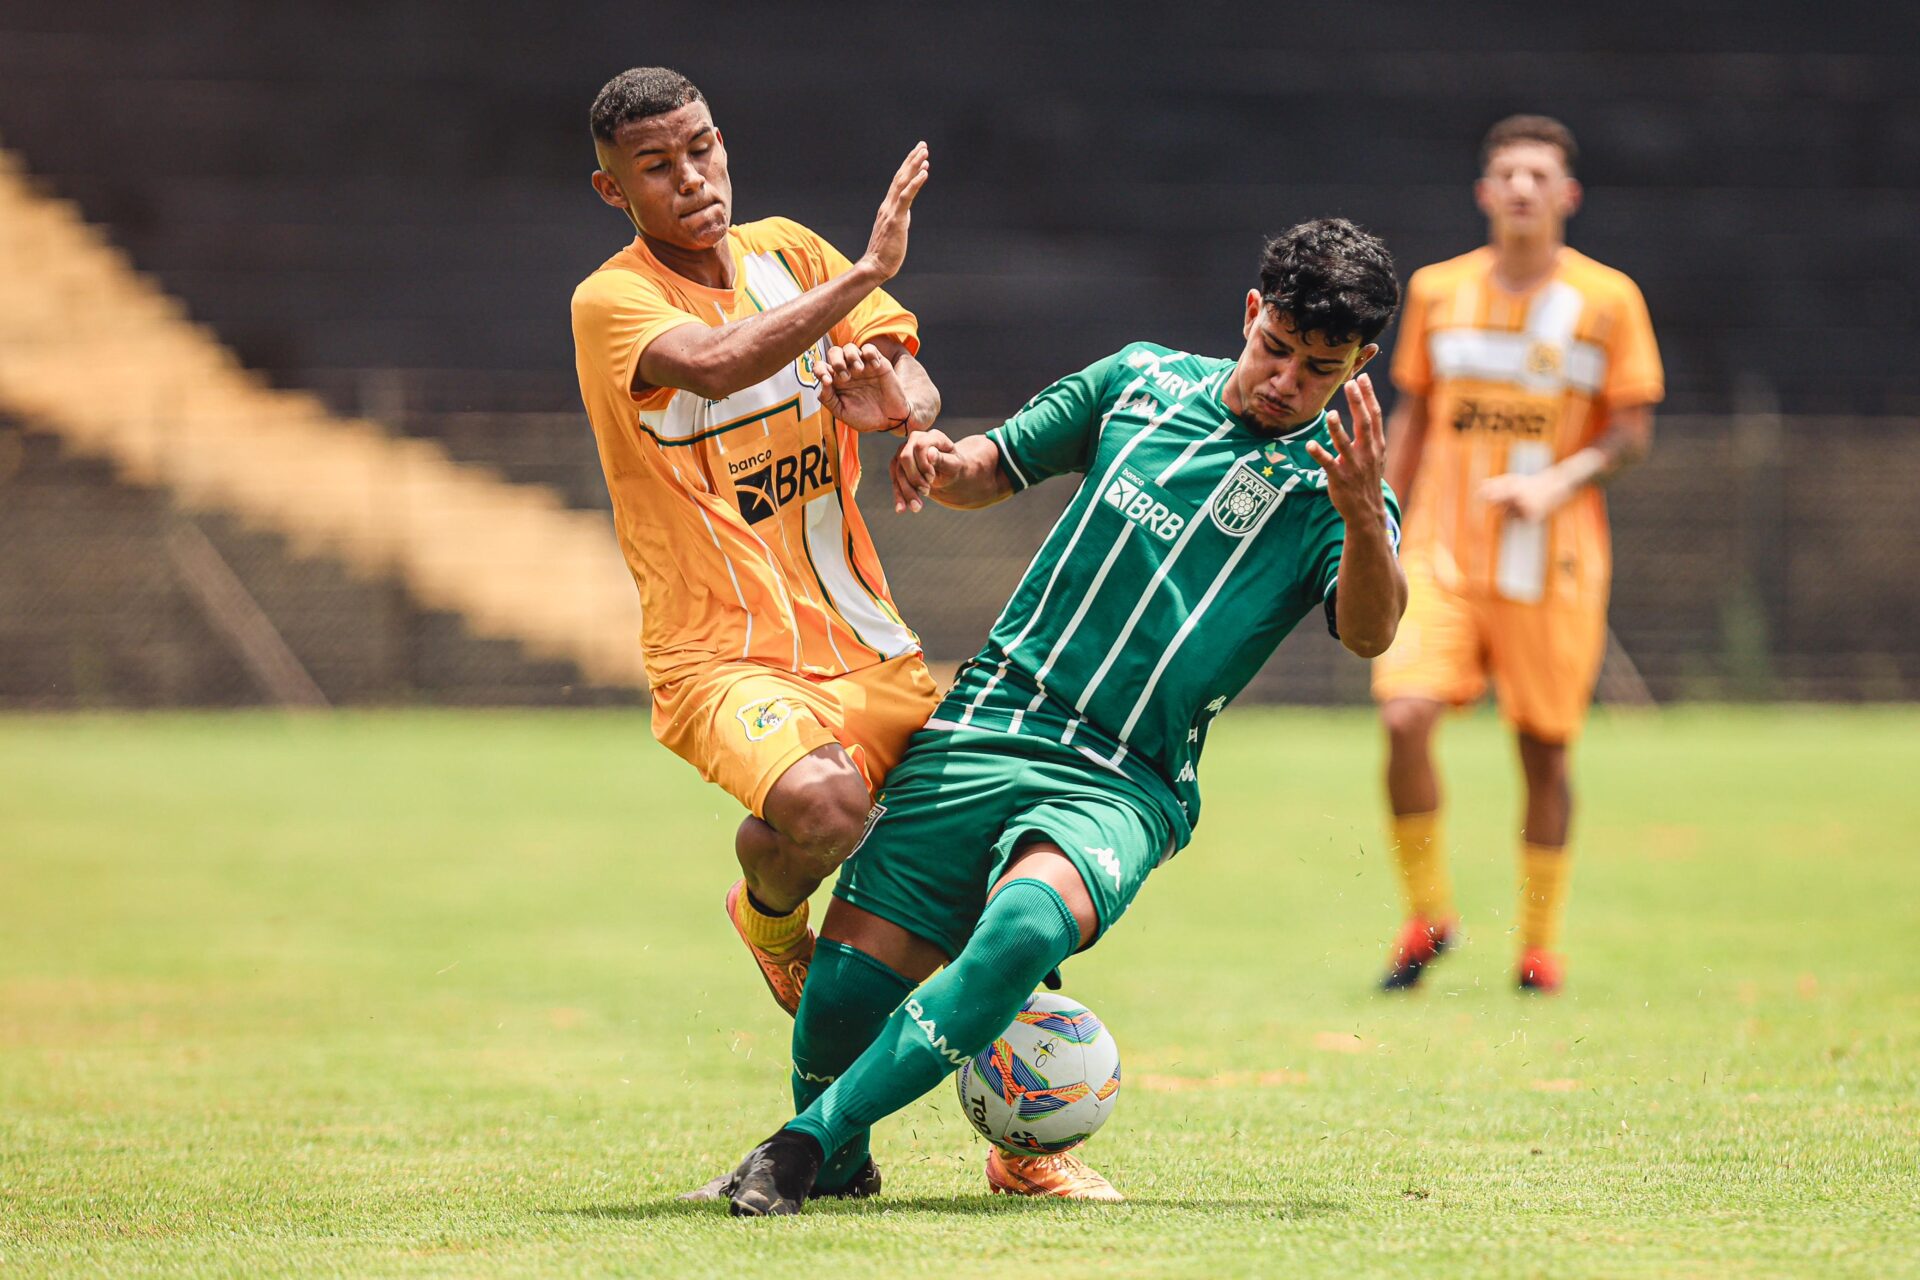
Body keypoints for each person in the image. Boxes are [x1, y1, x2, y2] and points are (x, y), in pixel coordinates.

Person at [709, 219, 1406, 1213]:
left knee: (1026, 922)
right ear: (1251, 315)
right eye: (1277, 349)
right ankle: (850, 1148)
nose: (1288, 379)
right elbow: (988, 467)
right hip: (991, 717)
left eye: (1320, 366)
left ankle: (802, 1146)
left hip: (1126, 776)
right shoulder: (1141, 380)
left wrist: (1359, 517)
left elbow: (1371, 634)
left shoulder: (1342, 483)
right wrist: (929, 459)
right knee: (838, 1008)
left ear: (1361, 363)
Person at [571, 67, 944, 1016]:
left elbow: (912, 379)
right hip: (718, 655)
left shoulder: (792, 254)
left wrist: (898, 407)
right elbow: (715, 361)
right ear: (615, 191)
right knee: (827, 808)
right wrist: (867, 274)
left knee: (961, 846)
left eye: (702, 148)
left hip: (861, 635)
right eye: (656, 166)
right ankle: (793, 935)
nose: (691, 178)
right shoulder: (610, 304)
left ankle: (770, 913)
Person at [1369, 115, 1664, 994]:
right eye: (1509, 174)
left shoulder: (1610, 300)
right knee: (1403, 717)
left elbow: (1633, 433)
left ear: (1567, 195)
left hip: (1554, 563)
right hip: (1441, 555)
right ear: (1485, 193)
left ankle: (1537, 945)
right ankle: (1427, 915)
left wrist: (1558, 481)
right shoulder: (1436, 291)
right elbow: (1416, 417)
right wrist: (1375, 520)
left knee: (1543, 751)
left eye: (1540, 175)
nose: (1524, 189)